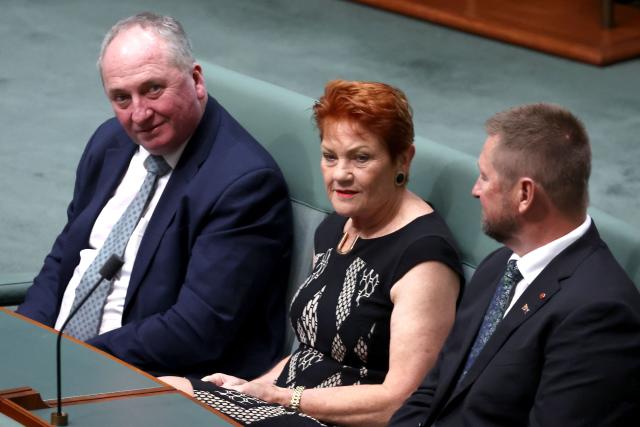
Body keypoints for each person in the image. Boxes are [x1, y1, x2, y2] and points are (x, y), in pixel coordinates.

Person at [161, 80, 464, 426]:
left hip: (342, 421)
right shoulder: (337, 226)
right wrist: (251, 387)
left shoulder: (424, 258)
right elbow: (308, 351)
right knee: (167, 392)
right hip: (287, 407)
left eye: (361, 158)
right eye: (330, 156)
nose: (341, 175)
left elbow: (401, 400)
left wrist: (283, 398)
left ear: (403, 160)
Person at [16, 12, 293, 379]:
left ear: (195, 80)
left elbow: (198, 329)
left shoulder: (243, 184)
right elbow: (65, 259)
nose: (139, 114)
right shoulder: (109, 143)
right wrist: (24, 340)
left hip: (152, 379)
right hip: (63, 359)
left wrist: (73, 360)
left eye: (152, 89)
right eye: (121, 98)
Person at [390, 103, 640, 427]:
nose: (475, 190)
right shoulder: (499, 266)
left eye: (484, 177)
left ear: (525, 194)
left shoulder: (600, 314)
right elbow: (434, 390)